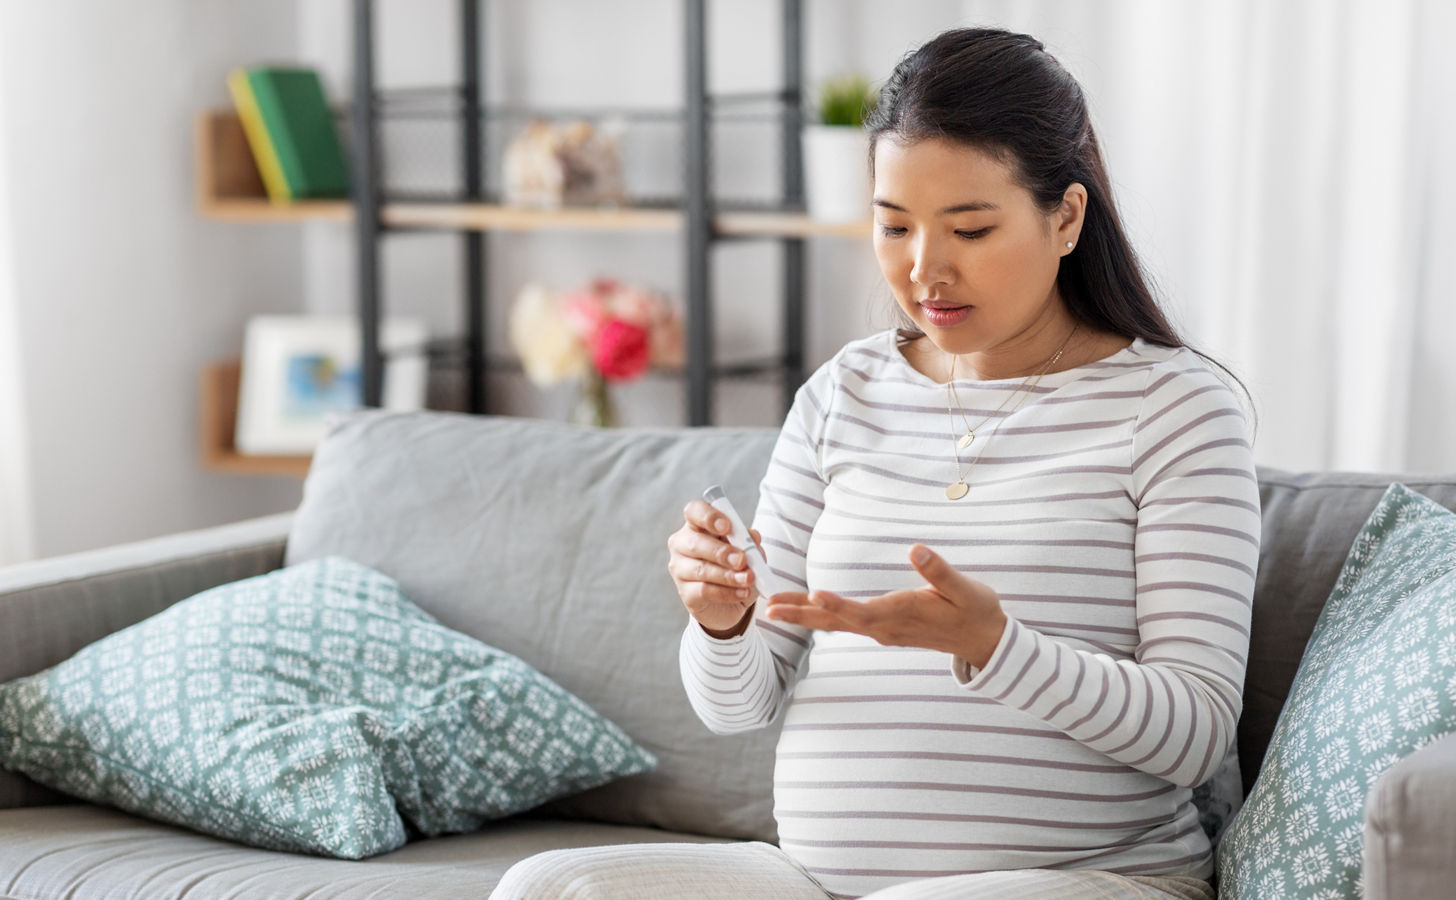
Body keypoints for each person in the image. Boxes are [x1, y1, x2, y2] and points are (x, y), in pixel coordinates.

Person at [493, 25, 1260, 900]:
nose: (925, 269)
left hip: (1086, 878)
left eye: (970, 228)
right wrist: (721, 621)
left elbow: (1195, 731)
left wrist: (996, 646)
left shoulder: (1177, 407)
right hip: (814, 879)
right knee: (549, 888)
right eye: (894, 226)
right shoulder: (842, 392)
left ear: (1067, 218)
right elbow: (736, 705)